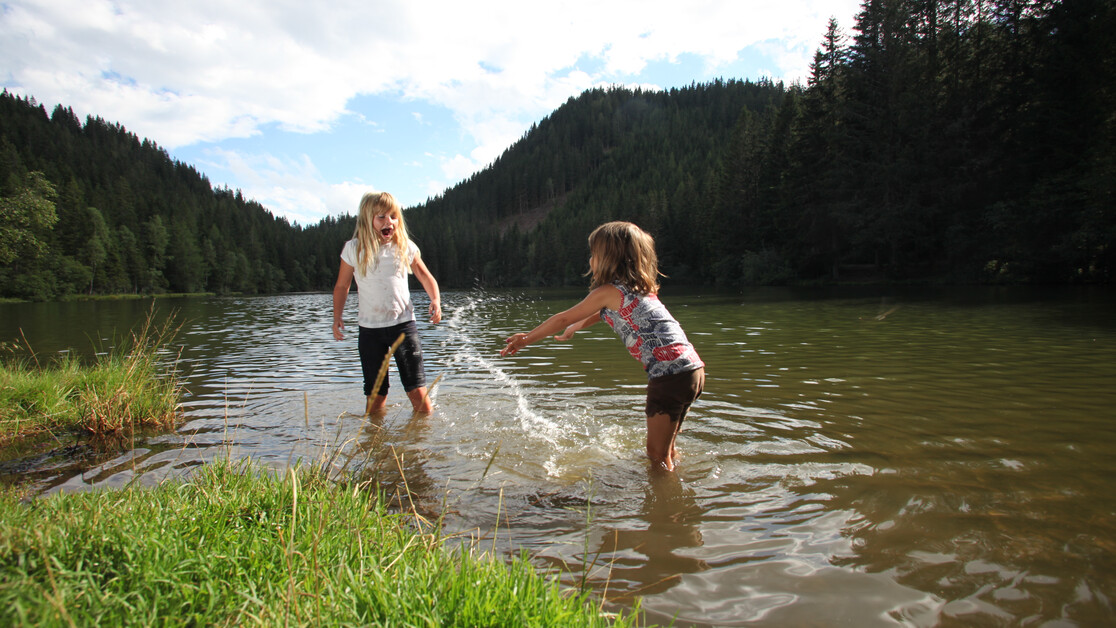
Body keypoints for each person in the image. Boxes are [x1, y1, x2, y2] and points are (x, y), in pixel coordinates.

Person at [501, 221, 704, 471]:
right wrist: (575, 328)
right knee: (667, 448)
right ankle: (679, 491)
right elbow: (601, 314)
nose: (590, 261)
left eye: (593, 254)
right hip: (691, 371)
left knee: (656, 456)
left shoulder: (608, 291)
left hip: (669, 376)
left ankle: (666, 504)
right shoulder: (637, 290)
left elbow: (564, 317)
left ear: (609, 258)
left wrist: (526, 339)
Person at [333, 191, 442, 415]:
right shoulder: (354, 249)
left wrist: (436, 300)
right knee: (376, 397)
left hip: (403, 327)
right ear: (367, 219)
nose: (389, 222)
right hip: (370, 332)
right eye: (381, 217)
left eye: (393, 216)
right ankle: (375, 442)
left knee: (418, 394)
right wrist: (337, 317)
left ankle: (420, 443)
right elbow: (342, 286)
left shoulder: (404, 247)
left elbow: (425, 276)